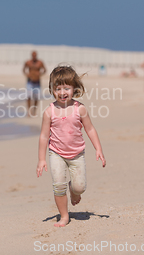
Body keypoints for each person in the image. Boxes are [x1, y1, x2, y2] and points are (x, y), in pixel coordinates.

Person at [36, 65, 106, 227]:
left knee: (80, 187)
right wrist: (41, 159)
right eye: (58, 88)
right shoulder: (49, 112)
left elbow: (90, 129)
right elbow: (44, 136)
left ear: (74, 88)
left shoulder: (79, 109)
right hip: (56, 154)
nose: (62, 92)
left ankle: (74, 191)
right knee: (58, 185)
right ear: (52, 90)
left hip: (77, 154)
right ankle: (64, 216)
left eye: (66, 88)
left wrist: (98, 148)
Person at [23, 51, 46, 117]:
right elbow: (24, 69)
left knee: (36, 97)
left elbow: (44, 70)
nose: (34, 56)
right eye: (33, 55)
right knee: (29, 97)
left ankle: (34, 111)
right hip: (29, 81)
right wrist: (27, 74)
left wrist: (40, 74)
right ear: (31, 55)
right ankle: (29, 111)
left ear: (36, 55)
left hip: (37, 82)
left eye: (35, 55)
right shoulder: (28, 62)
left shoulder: (40, 63)